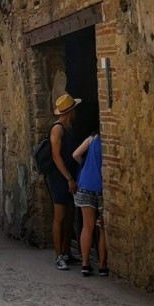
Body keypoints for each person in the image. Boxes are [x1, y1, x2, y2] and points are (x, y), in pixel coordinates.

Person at [47, 93, 81, 270]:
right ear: (71, 111)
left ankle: (67, 251)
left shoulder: (68, 128)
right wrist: (68, 178)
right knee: (59, 216)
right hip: (59, 176)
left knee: (69, 215)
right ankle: (59, 255)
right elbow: (55, 156)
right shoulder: (57, 129)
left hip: (69, 175)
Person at [73, 133, 108, 277]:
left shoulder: (91, 138)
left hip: (85, 184)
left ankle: (85, 264)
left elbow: (75, 155)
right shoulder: (107, 143)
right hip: (101, 188)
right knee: (103, 227)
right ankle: (102, 265)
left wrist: (85, 165)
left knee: (87, 227)